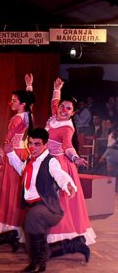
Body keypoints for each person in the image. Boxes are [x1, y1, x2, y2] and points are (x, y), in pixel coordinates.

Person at [5, 128, 86, 273]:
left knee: (32, 218)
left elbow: (60, 174)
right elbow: (22, 170)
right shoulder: (30, 160)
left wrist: (68, 185)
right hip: (33, 206)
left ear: (45, 144)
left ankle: (38, 264)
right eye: (30, 143)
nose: (32, 147)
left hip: (48, 207)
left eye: (37, 144)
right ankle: (75, 244)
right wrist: (10, 153)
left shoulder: (51, 161)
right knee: (36, 244)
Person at [45, 78, 96, 245]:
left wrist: (75, 158)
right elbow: (54, 103)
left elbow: (67, 146)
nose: (63, 110)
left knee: (60, 200)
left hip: (59, 163)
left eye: (68, 109)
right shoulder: (55, 116)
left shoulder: (67, 128)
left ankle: (61, 234)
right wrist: (57, 89)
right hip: (47, 161)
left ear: (73, 113)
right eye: (63, 106)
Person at [0, 74, 35, 237]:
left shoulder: (18, 119)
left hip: (14, 153)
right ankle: (15, 225)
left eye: (14, 100)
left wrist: (1, 153)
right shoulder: (28, 116)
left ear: (22, 104)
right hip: (21, 153)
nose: (11, 103)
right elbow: (31, 104)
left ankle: (10, 225)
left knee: (11, 189)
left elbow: (8, 139)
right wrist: (29, 86)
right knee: (17, 189)